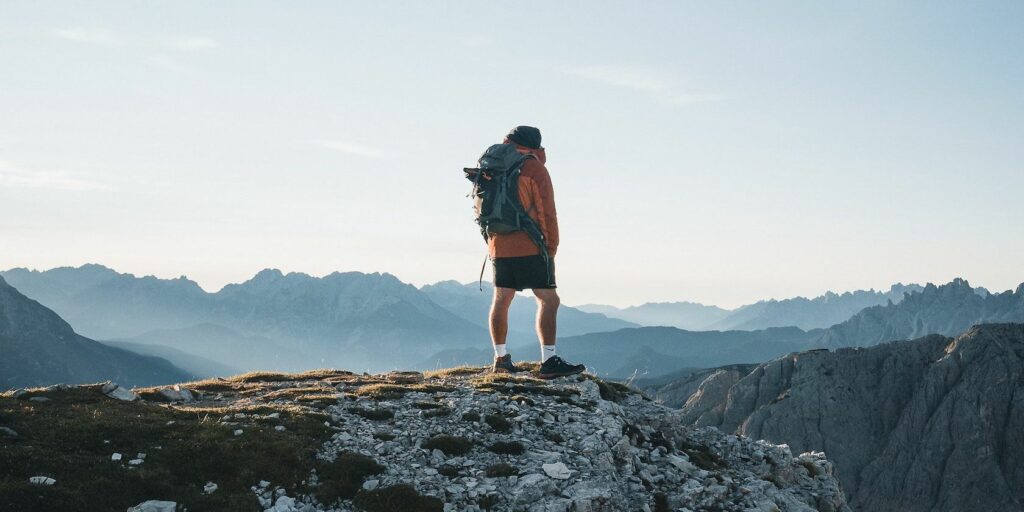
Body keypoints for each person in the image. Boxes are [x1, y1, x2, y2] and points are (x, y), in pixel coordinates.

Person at [488, 125, 586, 379]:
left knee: (501, 299)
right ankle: (549, 360)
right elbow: (547, 212)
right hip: (531, 244)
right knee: (548, 299)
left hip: (498, 244)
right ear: (535, 145)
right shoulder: (533, 168)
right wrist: (551, 247)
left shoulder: (494, 165)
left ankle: (500, 358)